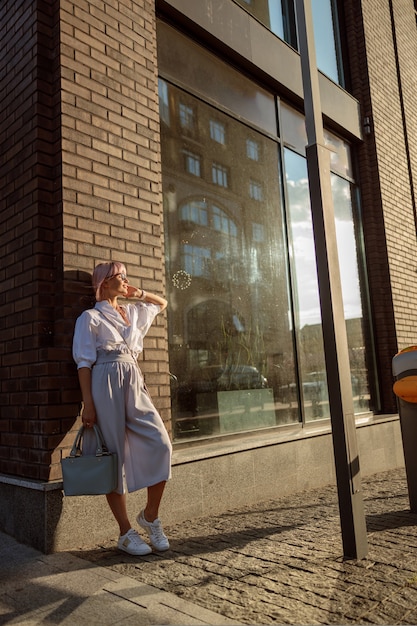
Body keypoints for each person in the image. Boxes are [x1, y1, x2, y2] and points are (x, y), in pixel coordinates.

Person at [72, 261, 172, 556]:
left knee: (161, 444)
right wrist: (88, 404)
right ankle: (125, 532)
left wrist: (138, 292)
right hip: (104, 381)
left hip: (133, 378)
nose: (125, 279)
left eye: (126, 275)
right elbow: (83, 363)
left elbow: (162, 303)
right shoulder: (89, 318)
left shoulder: (133, 312)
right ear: (103, 281)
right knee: (112, 455)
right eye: (120, 276)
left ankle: (150, 516)